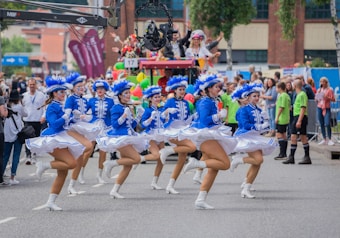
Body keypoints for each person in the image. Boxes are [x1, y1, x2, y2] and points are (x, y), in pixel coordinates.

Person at [26, 76, 86, 211]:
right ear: (54, 93)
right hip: (53, 137)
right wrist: (64, 116)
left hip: (62, 136)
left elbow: (66, 123)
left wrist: (74, 117)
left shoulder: (60, 105)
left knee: (63, 172)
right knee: (71, 163)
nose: (63, 94)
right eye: (61, 92)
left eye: (64, 92)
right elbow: (53, 123)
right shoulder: (52, 106)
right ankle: (43, 165)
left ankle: (51, 201)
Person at [181, 74, 237, 209]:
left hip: (212, 134)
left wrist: (219, 117)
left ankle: (200, 199)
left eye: (219, 86)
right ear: (208, 89)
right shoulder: (205, 101)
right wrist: (218, 115)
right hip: (206, 136)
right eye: (216, 87)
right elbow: (205, 120)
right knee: (225, 164)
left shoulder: (212, 100)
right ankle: (196, 163)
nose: (219, 89)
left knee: (214, 168)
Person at [98, 79, 148, 198]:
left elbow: (132, 126)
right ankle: (111, 163)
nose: (128, 95)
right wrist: (124, 115)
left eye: (128, 93)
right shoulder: (116, 108)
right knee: (136, 159)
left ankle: (114, 190)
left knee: (128, 165)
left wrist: (139, 115)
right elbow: (115, 125)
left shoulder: (128, 107)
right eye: (125, 93)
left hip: (128, 135)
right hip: (120, 137)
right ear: (119, 95)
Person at [230, 83, 276, 198]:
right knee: (258, 160)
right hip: (246, 136)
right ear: (248, 97)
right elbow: (244, 125)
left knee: (257, 163)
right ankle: (238, 160)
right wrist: (259, 126)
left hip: (255, 136)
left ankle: (246, 186)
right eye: (254, 96)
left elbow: (262, 126)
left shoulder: (259, 109)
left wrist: (265, 123)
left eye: (257, 96)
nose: (256, 98)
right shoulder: (243, 110)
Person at [159, 75, 196, 194]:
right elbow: (161, 116)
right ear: (175, 90)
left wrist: (193, 117)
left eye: (183, 89)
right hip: (172, 130)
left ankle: (170, 185)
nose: (182, 91)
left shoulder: (186, 103)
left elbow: (185, 120)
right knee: (192, 147)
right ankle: (167, 151)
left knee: (182, 159)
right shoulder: (170, 101)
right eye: (180, 89)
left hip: (183, 130)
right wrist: (167, 111)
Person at [64, 73, 101, 194]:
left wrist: (87, 116)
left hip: (82, 127)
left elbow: (89, 114)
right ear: (73, 88)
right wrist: (74, 114)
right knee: (88, 146)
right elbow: (66, 113)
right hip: (73, 128)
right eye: (78, 86)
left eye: (82, 86)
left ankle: (71, 185)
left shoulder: (85, 100)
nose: (81, 88)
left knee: (80, 158)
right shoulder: (70, 99)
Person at [80, 79, 115, 184]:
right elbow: (83, 111)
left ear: (105, 90)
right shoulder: (91, 101)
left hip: (105, 128)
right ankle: (80, 173)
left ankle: (99, 175)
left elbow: (113, 113)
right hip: (93, 127)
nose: (100, 90)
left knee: (103, 152)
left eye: (102, 89)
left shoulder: (110, 101)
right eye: (98, 88)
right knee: (88, 150)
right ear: (95, 90)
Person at [139, 85, 166, 189]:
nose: (158, 99)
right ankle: (140, 158)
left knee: (162, 159)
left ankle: (154, 182)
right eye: (155, 97)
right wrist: (151, 118)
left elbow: (162, 123)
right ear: (150, 99)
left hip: (160, 135)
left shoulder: (161, 109)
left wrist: (166, 115)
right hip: (151, 135)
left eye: (159, 97)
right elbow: (143, 125)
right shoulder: (147, 110)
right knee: (156, 155)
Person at [283, 79, 312, 165]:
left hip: (300, 117)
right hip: (296, 116)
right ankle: (291, 157)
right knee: (293, 137)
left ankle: (306, 157)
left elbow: (303, 108)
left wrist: (299, 120)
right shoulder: (298, 95)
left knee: (302, 137)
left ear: (295, 86)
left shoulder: (302, 94)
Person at [2, 90, 28, 185]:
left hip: (7, 134)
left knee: (5, 156)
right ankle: (12, 177)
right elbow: (26, 114)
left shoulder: (5, 106)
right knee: (16, 155)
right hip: (18, 133)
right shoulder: (19, 107)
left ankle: (1, 175)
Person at [22, 78, 46, 165]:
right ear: (28, 85)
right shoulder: (24, 96)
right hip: (27, 120)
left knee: (36, 138)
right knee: (27, 137)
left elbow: (44, 107)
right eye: (30, 85)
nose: (32, 86)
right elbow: (22, 108)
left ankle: (34, 155)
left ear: (36, 85)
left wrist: (43, 116)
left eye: (33, 84)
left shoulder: (41, 95)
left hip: (37, 119)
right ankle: (28, 156)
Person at [315, 77, 336, 146]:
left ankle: (329, 139)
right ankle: (324, 138)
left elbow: (333, 99)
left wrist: (327, 97)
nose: (321, 83)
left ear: (326, 83)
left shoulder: (330, 90)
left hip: (326, 107)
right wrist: (317, 97)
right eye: (321, 82)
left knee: (327, 123)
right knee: (321, 123)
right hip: (320, 107)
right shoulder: (319, 90)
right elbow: (317, 99)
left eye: (323, 82)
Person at [273, 82, 291, 160]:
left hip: (282, 118)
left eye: (277, 87)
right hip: (285, 117)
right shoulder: (286, 95)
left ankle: (282, 153)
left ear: (280, 88)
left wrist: (277, 117)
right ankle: (284, 153)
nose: (276, 89)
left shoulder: (283, 96)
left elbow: (281, 107)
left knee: (279, 134)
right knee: (283, 135)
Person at [0, 87, 9, 186]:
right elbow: (3, 114)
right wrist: (6, 111)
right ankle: (0, 178)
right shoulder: (1, 99)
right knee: (0, 155)